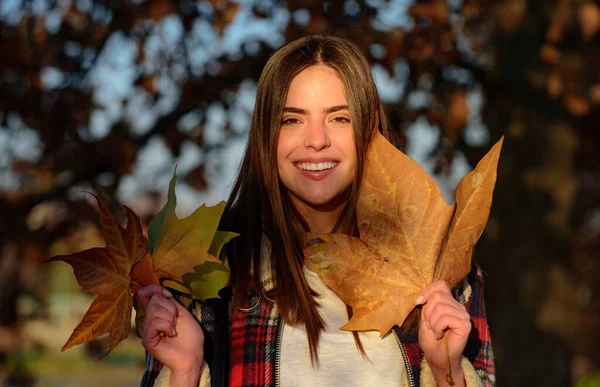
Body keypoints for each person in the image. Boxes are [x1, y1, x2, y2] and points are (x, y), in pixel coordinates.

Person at [137, 34, 495, 387]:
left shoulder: (440, 268)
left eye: (340, 118)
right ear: (266, 134)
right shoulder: (209, 267)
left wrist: (447, 371)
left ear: (369, 128)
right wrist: (184, 373)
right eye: (292, 120)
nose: (317, 139)